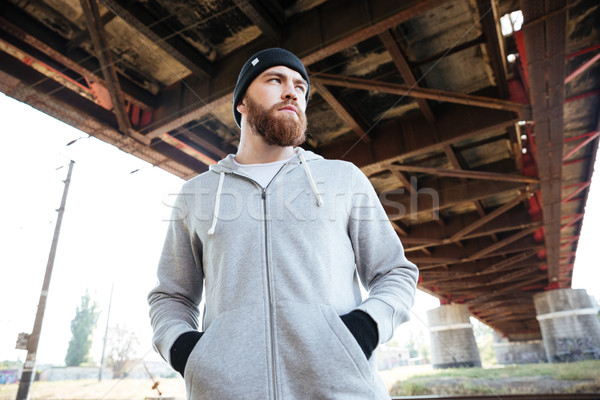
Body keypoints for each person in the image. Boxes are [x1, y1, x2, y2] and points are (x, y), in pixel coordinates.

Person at [148, 48, 419, 399]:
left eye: (300, 86)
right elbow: (171, 296)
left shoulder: (343, 179)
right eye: (275, 80)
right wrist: (186, 352)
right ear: (242, 103)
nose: (292, 91)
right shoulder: (197, 195)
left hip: (341, 391)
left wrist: (363, 331)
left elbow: (395, 273)